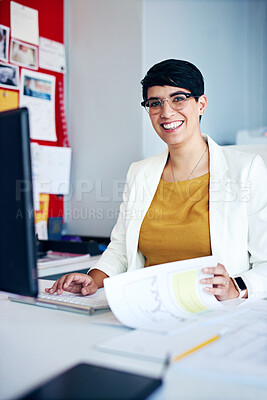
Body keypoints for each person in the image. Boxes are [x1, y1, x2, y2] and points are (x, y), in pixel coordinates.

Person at [46, 59, 267, 302]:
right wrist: (94, 278)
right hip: (148, 306)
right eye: (155, 103)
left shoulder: (245, 170)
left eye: (178, 98)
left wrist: (236, 287)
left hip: (215, 311)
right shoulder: (140, 173)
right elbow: (121, 249)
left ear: (201, 104)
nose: (166, 112)